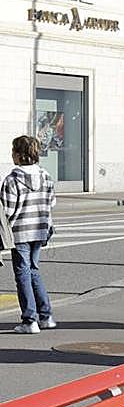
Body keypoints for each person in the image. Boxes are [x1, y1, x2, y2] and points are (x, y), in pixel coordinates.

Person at [2, 136, 56, 334]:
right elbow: (51, 203)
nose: (12, 154)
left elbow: (7, 211)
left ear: (19, 154)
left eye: (13, 151)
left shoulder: (12, 180)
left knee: (22, 273)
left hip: (20, 232)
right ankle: (46, 316)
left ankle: (29, 320)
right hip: (41, 229)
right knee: (33, 269)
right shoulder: (46, 176)